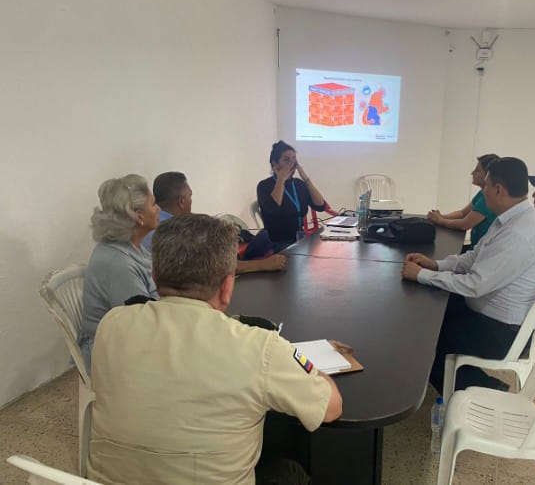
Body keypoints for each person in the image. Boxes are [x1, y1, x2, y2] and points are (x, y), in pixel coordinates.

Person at [87, 214, 343, 485]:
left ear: (154, 275)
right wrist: (303, 363)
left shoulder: (112, 324)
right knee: (290, 471)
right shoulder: (260, 348)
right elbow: (331, 408)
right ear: (227, 286)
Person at [401, 157, 535, 393]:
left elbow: (475, 285)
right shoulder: (511, 218)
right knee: (427, 310)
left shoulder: (520, 233)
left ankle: (486, 390)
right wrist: (435, 265)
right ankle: (473, 381)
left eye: (486, 186)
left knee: (426, 337)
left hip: (501, 331)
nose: (483, 191)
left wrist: (422, 275)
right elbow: (474, 257)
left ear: (499, 189)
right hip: (488, 312)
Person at [80, 174, 160, 371]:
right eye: (153, 204)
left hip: (129, 336)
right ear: (139, 215)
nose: (158, 209)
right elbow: (140, 325)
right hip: (109, 351)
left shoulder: (132, 247)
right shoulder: (119, 263)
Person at [143, 171, 287, 273]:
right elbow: (215, 266)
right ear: (181, 202)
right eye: (190, 196)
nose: (191, 201)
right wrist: (263, 264)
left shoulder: (149, 226)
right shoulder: (176, 232)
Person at [256, 141, 327, 245]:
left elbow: (321, 206)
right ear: (275, 163)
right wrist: (281, 180)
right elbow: (274, 209)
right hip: (277, 242)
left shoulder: (298, 184)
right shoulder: (264, 186)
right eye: (286, 160)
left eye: (294, 159)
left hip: (300, 239)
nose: (291, 163)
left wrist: (306, 179)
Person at [427, 153, 500, 251]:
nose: (472, 173)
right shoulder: (482, 193)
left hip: (480, 251)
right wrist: (441, 216)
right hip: (475, 247)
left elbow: (464, 225)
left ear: (488, 175)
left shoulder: (487, 198)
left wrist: (440, 221)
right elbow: (462, 213)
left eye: (477, 170)